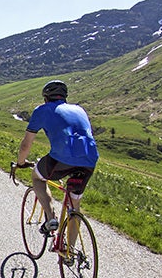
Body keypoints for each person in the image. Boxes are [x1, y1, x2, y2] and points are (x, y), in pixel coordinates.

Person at [15, 80, 99, 236]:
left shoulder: (42, 110)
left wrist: (21, 163)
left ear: (46, 98)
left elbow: (26, 145)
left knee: (38, 177)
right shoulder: (79, 110)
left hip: (62, 158)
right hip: (89, 159)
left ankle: (51, 218)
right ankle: (69, 253)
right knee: (75, 204)